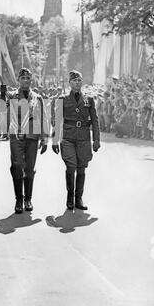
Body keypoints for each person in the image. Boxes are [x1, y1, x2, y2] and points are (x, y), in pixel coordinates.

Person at [0, 67, 49, 214]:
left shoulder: (37, 98)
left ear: (30, 80)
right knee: (17, 166)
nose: (25, 81)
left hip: (32, 136)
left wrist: (45, 139)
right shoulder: (12, 96)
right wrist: (2, 95)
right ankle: (18, 199)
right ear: (18, 80)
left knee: (30, 168)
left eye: (28, 78)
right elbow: (0, 109)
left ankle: (28, 199)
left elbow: (44, 118)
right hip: (16, 135)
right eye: (22, 78)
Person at [52, 70, 100, 211]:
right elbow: (58, 120)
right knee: (71, 166)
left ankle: (79, 198)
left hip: (84, 138)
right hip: (68, 137)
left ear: (82, 82)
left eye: (79, 80)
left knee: (81, 168)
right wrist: (55, 140)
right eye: (74, 81)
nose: (77, 83)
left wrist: (96, 140)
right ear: (69, 83)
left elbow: (95, 121)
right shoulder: (62, 99)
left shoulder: (89, 100)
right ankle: (70, 197)